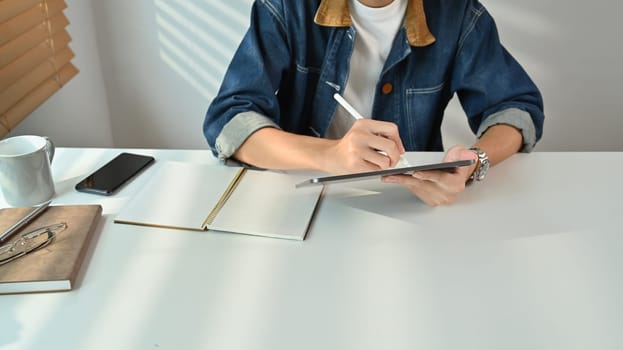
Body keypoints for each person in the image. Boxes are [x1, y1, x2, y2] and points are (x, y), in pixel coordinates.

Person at [203, 0, 544, 206]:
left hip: (411, 202)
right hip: (304, 199)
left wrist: (473, 162)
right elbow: (230, 120)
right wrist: (329, 154)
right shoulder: (288, 6)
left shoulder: (456, 13)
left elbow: (515, 107)